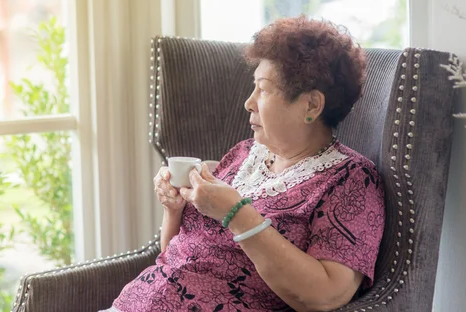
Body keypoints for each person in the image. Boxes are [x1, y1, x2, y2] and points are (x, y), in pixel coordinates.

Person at [105, 16, 385, 312]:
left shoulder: (352, 181)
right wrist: (173, 210)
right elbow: (175, 256)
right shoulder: (243, 155)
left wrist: (236, 213)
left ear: (312, 105)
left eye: (263, 89)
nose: (248, 102)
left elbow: (327, 295)